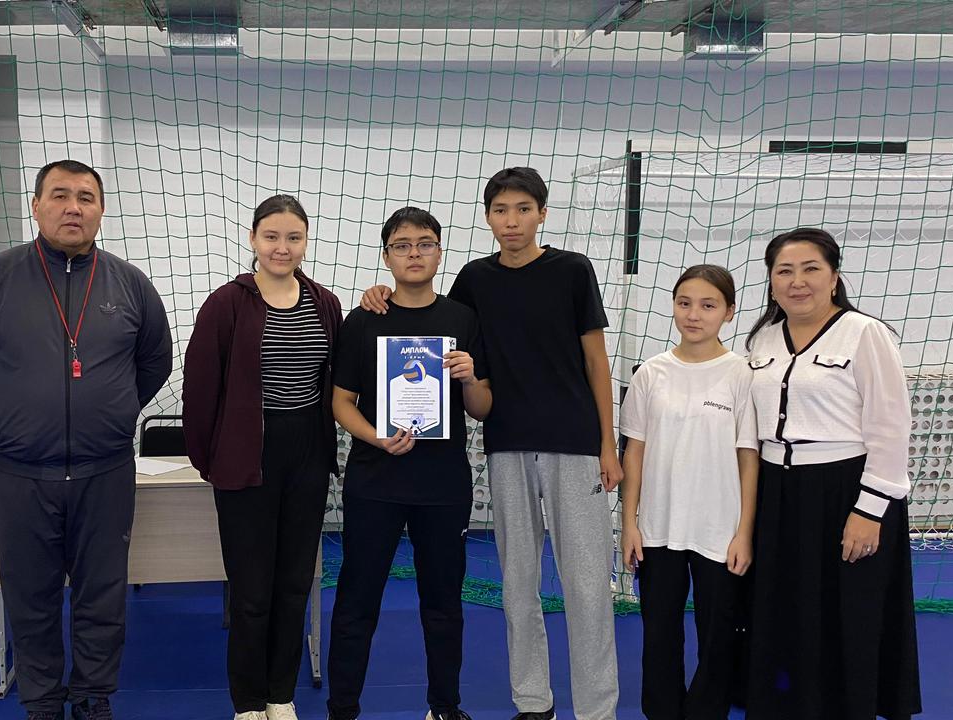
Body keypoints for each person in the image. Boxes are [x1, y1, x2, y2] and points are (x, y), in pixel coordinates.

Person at [361, 167, 621, 720]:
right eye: (501, 210)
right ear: (487, 218)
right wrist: (380, 293)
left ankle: (597, 710)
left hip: (576, 446)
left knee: (587, 586)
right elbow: (429, 316)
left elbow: (597, 361)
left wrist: (608, 444)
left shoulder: (573, 270)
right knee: (518, 584)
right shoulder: (475, 279)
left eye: (523, 209)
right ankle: (533, 702)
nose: (512, 220)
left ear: (542, 213)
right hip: (506, 446)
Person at [0, 160, 173, 720]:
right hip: (22, 472)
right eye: (60, 195)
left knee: (102, 593)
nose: (74, 207)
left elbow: (154, 363)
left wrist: (111, 412)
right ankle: (43, 701)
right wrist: (17, 409)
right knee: (31, 596)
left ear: (101, 209)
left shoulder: (129, 284)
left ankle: (93, 695)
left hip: (105, 470)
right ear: (36, 205)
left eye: (86, 197)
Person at [744, 228, 921, 720]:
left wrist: (870, 510)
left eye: (810, 269)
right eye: (784, 271)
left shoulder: (865, 334)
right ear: (771, 281)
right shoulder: (761, 339)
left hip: (845, 491)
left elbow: (891, 427)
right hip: (778, 493)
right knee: (788, 609)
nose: (797, 281)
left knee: (849, 612)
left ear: (834, 277)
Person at [326, 207, 492, 720]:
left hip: (442, 485)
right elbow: (340, 402)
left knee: (442, 603)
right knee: (357, 600)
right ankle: (342, 709)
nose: (414, 253)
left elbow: (482, 408)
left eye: (424, 243)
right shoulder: (364, 319)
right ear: (386, 256)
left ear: (440, 253)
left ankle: (444, 706)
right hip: (375, 481)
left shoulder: (463, 320)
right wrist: (376, 438)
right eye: (402, 245)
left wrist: (469, 377)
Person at [182, 194, 342, 720]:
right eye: (271, 236)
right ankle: (248, 700)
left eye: (293, 237)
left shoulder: (324, 303)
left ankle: (280, 693)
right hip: (246, 453)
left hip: (307, 453)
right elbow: (199, 389)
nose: (282, 247)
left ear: (306, 241)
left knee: (294, 583)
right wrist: (211, 460)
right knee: (252, 589)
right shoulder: (226, 304)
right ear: (253, 239)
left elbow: (336, 377)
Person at [619, 265, 758, 720]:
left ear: (729, 312)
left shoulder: (742, 374)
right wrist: (630, 524)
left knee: (718, 633)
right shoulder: (651, 373)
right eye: (684, 303)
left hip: (719, 529)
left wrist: (743, 533)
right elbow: (634, 453)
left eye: (707, 305)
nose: (694, 315)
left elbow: (748, 458)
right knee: (659, 632)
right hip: (658, 528)